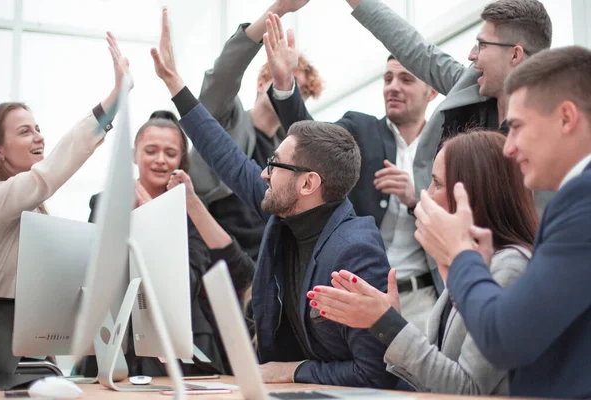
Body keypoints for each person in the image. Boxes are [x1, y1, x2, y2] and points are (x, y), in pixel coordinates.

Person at [150, 8, 397, 389]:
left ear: (307, 183)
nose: (264, 172)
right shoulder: (285, 212)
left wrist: (291, 369)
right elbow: (225, 155)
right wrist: (173, 83)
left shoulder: (355, 252)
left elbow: (373, 374)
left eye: (275, 165)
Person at [413, 46, 591, 398]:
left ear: (566, 118)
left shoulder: (582, 201)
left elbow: (507, 340)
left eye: (518, 127)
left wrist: (462, 256)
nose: (508, 148)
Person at [307, 130, 538, 394]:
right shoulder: (469, 261)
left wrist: (386, 324)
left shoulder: (508, 267)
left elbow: (467, 391)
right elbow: (438, 376)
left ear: (475, 195)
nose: (425, 195)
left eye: (436, 184)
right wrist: (388, 320)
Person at [265, 12, 440, 331]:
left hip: (425, 298)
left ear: (433, 92)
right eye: (388, 79)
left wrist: (416, 200)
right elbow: (308, 140)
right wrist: (284, 83)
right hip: (359, 293)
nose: (393, 87)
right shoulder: (360, 128)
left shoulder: (447, 148)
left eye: (406, 79)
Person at [84, 111, 255, 376]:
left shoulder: (190, 210)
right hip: (118, 336)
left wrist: (154, 221)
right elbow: (96, 274)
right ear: (134, 153)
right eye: (151, 151)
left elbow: (189, 282)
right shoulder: (105, 203)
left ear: (181, 161)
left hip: (184, 342)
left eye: (170, 153)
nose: (160, 160)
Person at [344, 0, 553, 211]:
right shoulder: (470, 86)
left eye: (482, 45)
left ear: (515, 54)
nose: (472, 55)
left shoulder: (552, 137)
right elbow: (416, 50)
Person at [0, 32, 129, 299]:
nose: (39, 137)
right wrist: (114, 100)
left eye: (38, 129)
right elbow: (49, 174)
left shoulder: (34, 209)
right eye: (24, 132)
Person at [192, 0, 322, 260]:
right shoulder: (227, 120)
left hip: (266, 260)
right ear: (262, 81)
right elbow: (223, 76)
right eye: (287, 80)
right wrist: (280, 9)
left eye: (303, 92)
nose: (294, 91)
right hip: (212, 250)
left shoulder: (292, 151)